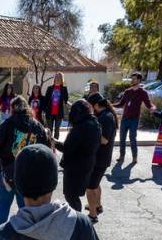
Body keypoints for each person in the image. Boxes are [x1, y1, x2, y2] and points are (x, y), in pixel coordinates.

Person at [0, 96, 51, 225]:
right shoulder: (37, 125)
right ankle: (27, 234)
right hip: (28, 174)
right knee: (26, 208)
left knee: (4, 205)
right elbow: (46, 148)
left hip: (7, 172)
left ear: (12, 109)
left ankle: (0, 236)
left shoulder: (8, 124)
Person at [59, 100, 101, 212]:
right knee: (74, 194)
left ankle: (77, 220)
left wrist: (53, 141)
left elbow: (67, 147)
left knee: (71, 195)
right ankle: (77, 217)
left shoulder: (81, 127)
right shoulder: (95, 123)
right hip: (87, 163)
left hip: (76, 166)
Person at [85, 93, 118, 223]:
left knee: (90, 187)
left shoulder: (106, 118)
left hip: (100, 158)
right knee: (96, 184)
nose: (90, 109)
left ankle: (93, 215)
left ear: (97, 105)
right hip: (101, 158)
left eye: (90, 106)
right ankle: (97, 205)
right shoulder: (104, 115)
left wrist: (88, 135)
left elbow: (104, 140)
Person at [114, 72, 155, 164]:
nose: (132, 80)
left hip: (134, 119)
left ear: (139, 80)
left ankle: (134, 157)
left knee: (132, 138)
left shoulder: (143, 92)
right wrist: (111, 105)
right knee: (122, 138)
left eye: (134, 79)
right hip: (124, 118)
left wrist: (152, 107)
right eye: (132, 78)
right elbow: (121, 103)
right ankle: (121, 156)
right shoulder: (127, 91)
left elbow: (148, 103)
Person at [44, 72, 70, 140]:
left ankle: (55, 146)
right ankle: (49, 144)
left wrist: (64, 88)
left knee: (57, 130)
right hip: (50, 112)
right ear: (54, 78)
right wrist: (44, 111)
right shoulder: (50, 88)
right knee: (49, 130)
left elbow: (66, 99)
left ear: (62, 79)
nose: (57, 78)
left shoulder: (64, 88)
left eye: (59, 77)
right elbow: (46, 100)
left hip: (59, 113)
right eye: (56, 77)